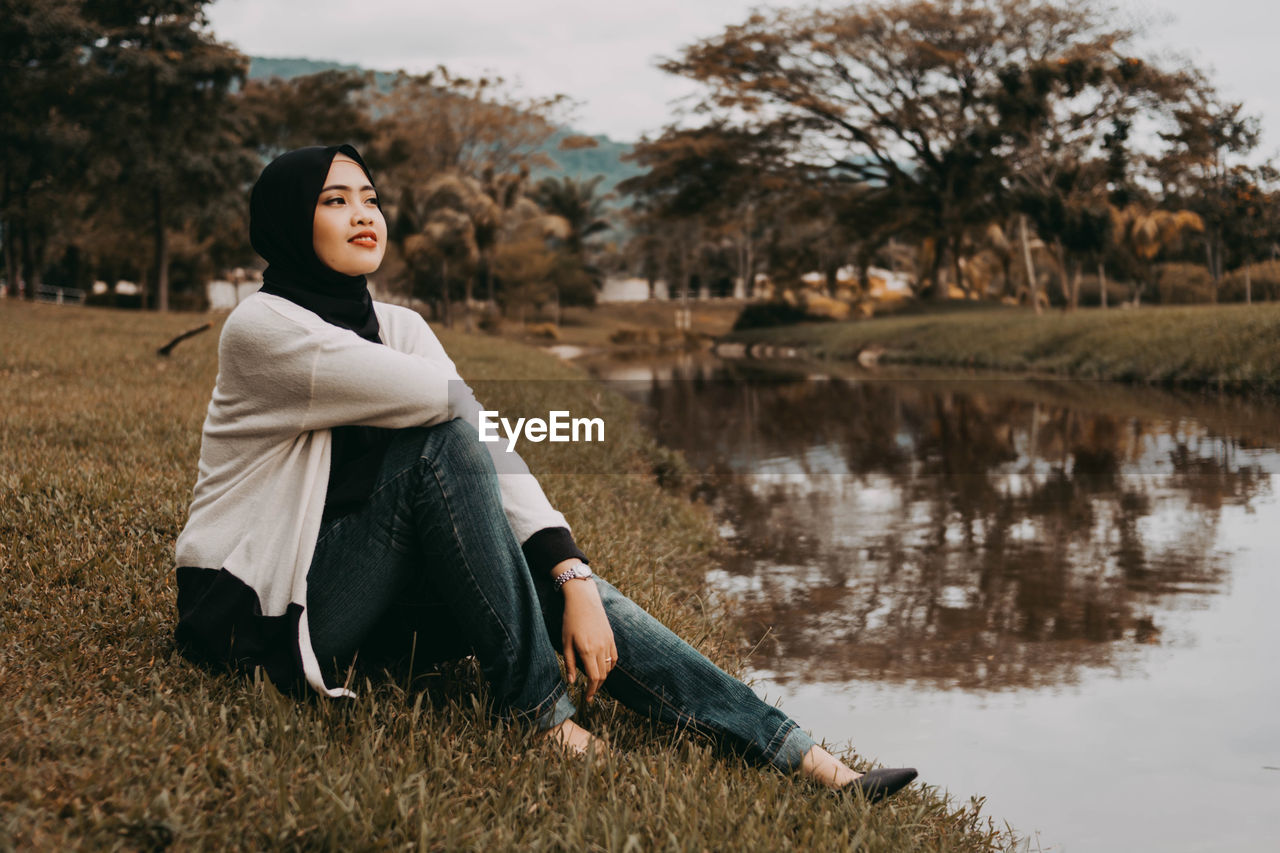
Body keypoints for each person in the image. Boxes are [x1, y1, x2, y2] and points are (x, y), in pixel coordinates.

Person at [172, 144, 917, 802]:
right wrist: (475, 427)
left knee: (545, 564)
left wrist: (572, 575)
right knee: (442, 445)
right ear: (286, 221)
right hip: (263, 617)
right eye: (334, 201)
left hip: (372, 603)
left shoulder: (399, 326)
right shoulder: (261, 326)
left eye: (370, 197)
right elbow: (451, 411)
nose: (363, 214)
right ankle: (540, 715)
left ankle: (804, 757)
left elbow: (489, 439)